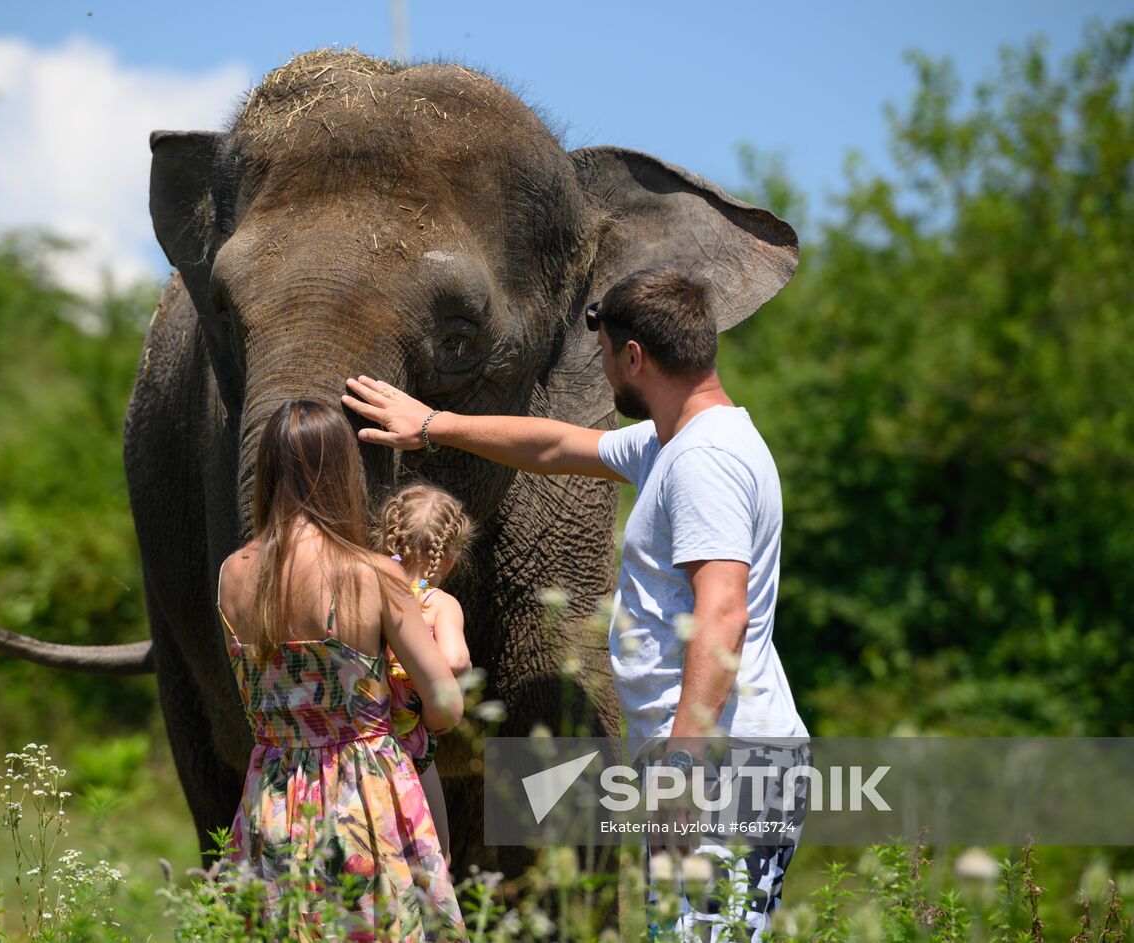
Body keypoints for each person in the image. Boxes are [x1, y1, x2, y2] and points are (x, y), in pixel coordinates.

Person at [341, 268, 809, 942]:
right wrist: (433, 424)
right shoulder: (671, 446)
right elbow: (556, 445)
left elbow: (723, 615)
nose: (605, 375)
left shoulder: (707, 460)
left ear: (634, 357)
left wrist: (681, 765)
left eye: (604, 358)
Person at [215, 399, 466, 941]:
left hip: (271, 799)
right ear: (343, 472)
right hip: (367, 804)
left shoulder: (232, 574)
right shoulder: (373, 574)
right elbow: (446, 705)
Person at [375, 483, 475, 866]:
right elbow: (453, 660)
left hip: (364, 739)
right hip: (413, 744)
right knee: (437, 856)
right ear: (449, 558)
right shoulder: (439, 604)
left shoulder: (372, 590)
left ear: (387, 542)